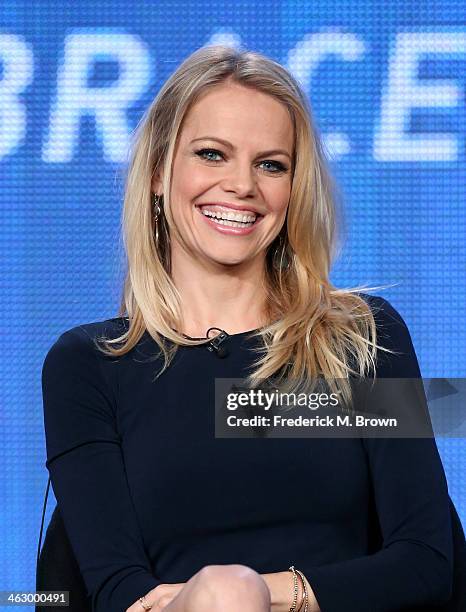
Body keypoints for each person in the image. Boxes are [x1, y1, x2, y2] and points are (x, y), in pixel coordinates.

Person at [41, 45, 455, 612]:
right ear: (160, 173)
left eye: (271, 164)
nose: (243, 185)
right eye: (212, 154)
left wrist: (257, 593)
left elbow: (428, 560)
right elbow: (114, 594)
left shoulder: (363, 337)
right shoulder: (89, 363)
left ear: (293, 189)